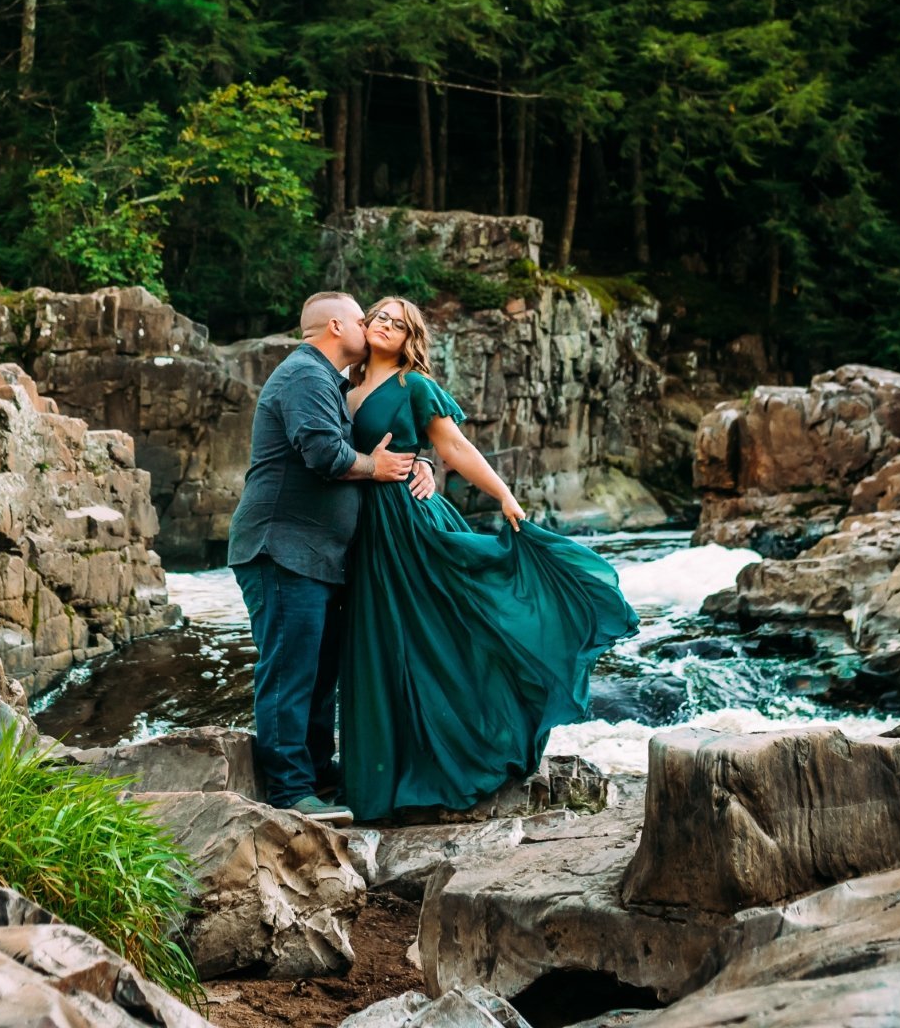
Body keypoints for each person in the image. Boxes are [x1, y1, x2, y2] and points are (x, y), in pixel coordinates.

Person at [340, 295, 638, 823]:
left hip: (409, 525)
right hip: (366, 535)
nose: (384, 324)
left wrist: (504, 495)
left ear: (411, 339)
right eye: (379, 316)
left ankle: (463, 759)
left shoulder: (414, 386)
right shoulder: (344, 386)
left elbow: (453, 449)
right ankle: (386, 780)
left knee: (440, 639)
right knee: (383, 646)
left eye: (397, 322)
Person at [226, 290, 436, 819]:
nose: (371, 326)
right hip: (282, 548)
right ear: (338, 326)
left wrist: (421, 463)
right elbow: (323, 452)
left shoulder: (333, 382)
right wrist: (377, 468)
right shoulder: (305, 375)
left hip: (316, 555)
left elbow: (387, 432)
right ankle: (290, 792)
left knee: (319, 675)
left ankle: (319, 775)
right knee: (290, 671)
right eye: (364, 319)